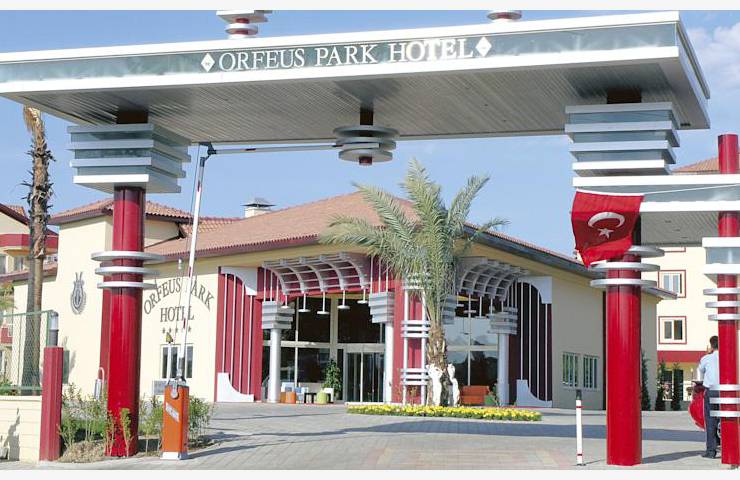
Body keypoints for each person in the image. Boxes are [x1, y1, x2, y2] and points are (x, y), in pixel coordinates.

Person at [698, 335, 720, 458]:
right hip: (725, 392)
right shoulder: (726, 356)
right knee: (725, 420)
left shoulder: (706, 358)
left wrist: (708, 353)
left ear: (711, 346)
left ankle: (711, 451)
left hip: (711, 391)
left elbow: (700, 370)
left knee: (710, 420)